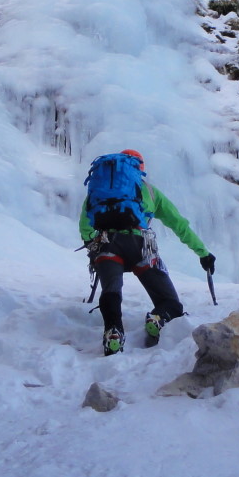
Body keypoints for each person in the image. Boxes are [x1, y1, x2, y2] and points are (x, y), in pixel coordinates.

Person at [80, 149, 216, 354]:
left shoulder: (99, 192)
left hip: (108, 247)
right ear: (140, 169)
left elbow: (85, 227)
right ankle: (158, 317)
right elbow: (179, 225)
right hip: (141, 248)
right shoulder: (151, 192)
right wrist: (203, 253)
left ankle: (113, 330)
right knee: (170, 302)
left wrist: (94, 246)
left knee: (111, 291)